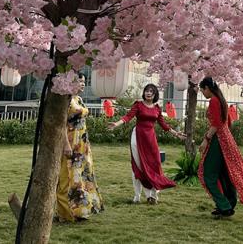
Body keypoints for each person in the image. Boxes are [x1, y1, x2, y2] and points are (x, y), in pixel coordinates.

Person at [197, 77, 243, 217]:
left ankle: (224, 205)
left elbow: (216, 123)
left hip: (219, 140)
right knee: (226, 174)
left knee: (207, 174)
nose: (202, 93)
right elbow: (227, 123)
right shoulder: (222, 100)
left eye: (202, 90)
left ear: (207, 88)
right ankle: (229, 203)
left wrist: (206, 139)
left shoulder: (214, 101)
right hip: (227, 139)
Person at [109, 83, 185, 204]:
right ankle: (137, 195)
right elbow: (128, 117)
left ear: (155, 94)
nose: (148, 93)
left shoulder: (157, 108)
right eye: (146, 91)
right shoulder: (138, 105)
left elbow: (163, 124)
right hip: (138, 137)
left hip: (150, 139)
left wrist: (176, 134)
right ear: (144, 93)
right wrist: (116, 124)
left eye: (151, 91)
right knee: (138, 167)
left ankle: (153, 196)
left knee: (154, 166)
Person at [56, 77, 103, 222]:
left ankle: (81, 210)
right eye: (79, 81)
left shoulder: (79, 99)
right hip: (71, 142)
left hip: (82, 144)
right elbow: (61, 123)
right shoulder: (66, 99)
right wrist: (66, 145)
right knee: (67, 176)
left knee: (81, 176)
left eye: (84, 81)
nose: (82, 84)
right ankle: (65, 213)